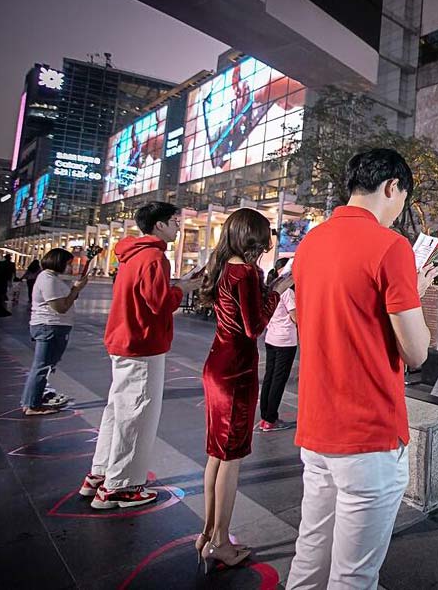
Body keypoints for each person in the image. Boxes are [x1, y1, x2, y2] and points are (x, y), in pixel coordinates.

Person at [287, 149, 438, 589]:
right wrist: (414, 294)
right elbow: (417, 352)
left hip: (316, 426)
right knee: (354, 575)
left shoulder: (311, 242)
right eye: (403, 200)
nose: (399, 212)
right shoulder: (390, 246)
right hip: (368, 434)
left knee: (310, 555)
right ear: (392, 187)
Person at [80, 202, 197, 509]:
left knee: (118, 410)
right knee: (136, 414)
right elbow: (160, 303)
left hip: (123, 339)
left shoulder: (132, 254)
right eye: (174, 221)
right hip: (142, 343)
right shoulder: (154, 257)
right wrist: (184, 288)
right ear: (159, 224)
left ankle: (100, 473)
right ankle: (121, 486)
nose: (178, 227)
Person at [196, 208, 291, 571]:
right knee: (231, 459)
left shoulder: (224, 266)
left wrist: (271, 286)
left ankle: (208, 534)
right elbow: (255, 326)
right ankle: (220, 542)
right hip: (236, 373)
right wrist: (278, 290)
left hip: (217, 365)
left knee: (216, 456)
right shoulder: (246, 272)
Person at [19, 249, 87, 416]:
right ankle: (32, 404)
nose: (70, 267)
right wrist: (75, 289)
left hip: (55, 326)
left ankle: (33, 399)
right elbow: (60, 307)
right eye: (69, 264)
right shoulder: (47, 279)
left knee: (46, 365)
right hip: (49, 326)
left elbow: (66, 299)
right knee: (42, 366)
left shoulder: (53, 278)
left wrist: (75, 289)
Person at [259, 257, 297, 432]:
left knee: (269, 377)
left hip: (271, 338)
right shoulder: (287, 292)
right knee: (279, 380)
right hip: (286, 340)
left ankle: (265, 416)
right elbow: (295, 317)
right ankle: (271, 419)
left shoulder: (270, 289)